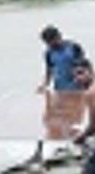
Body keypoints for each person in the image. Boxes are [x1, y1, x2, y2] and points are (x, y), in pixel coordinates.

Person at [32, 25, 86, 164]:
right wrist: (44, 85)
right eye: (47, 43)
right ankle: (42, 151)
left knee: (76, 121)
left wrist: (84, 84)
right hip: (59, 90)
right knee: (52, 120)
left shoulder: (74, 48)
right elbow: (49, 70)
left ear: (58, 37)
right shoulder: (49, 53)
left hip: (76, 90)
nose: (51, 45)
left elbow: (84, 67)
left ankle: (79, 148)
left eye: (52, 42)